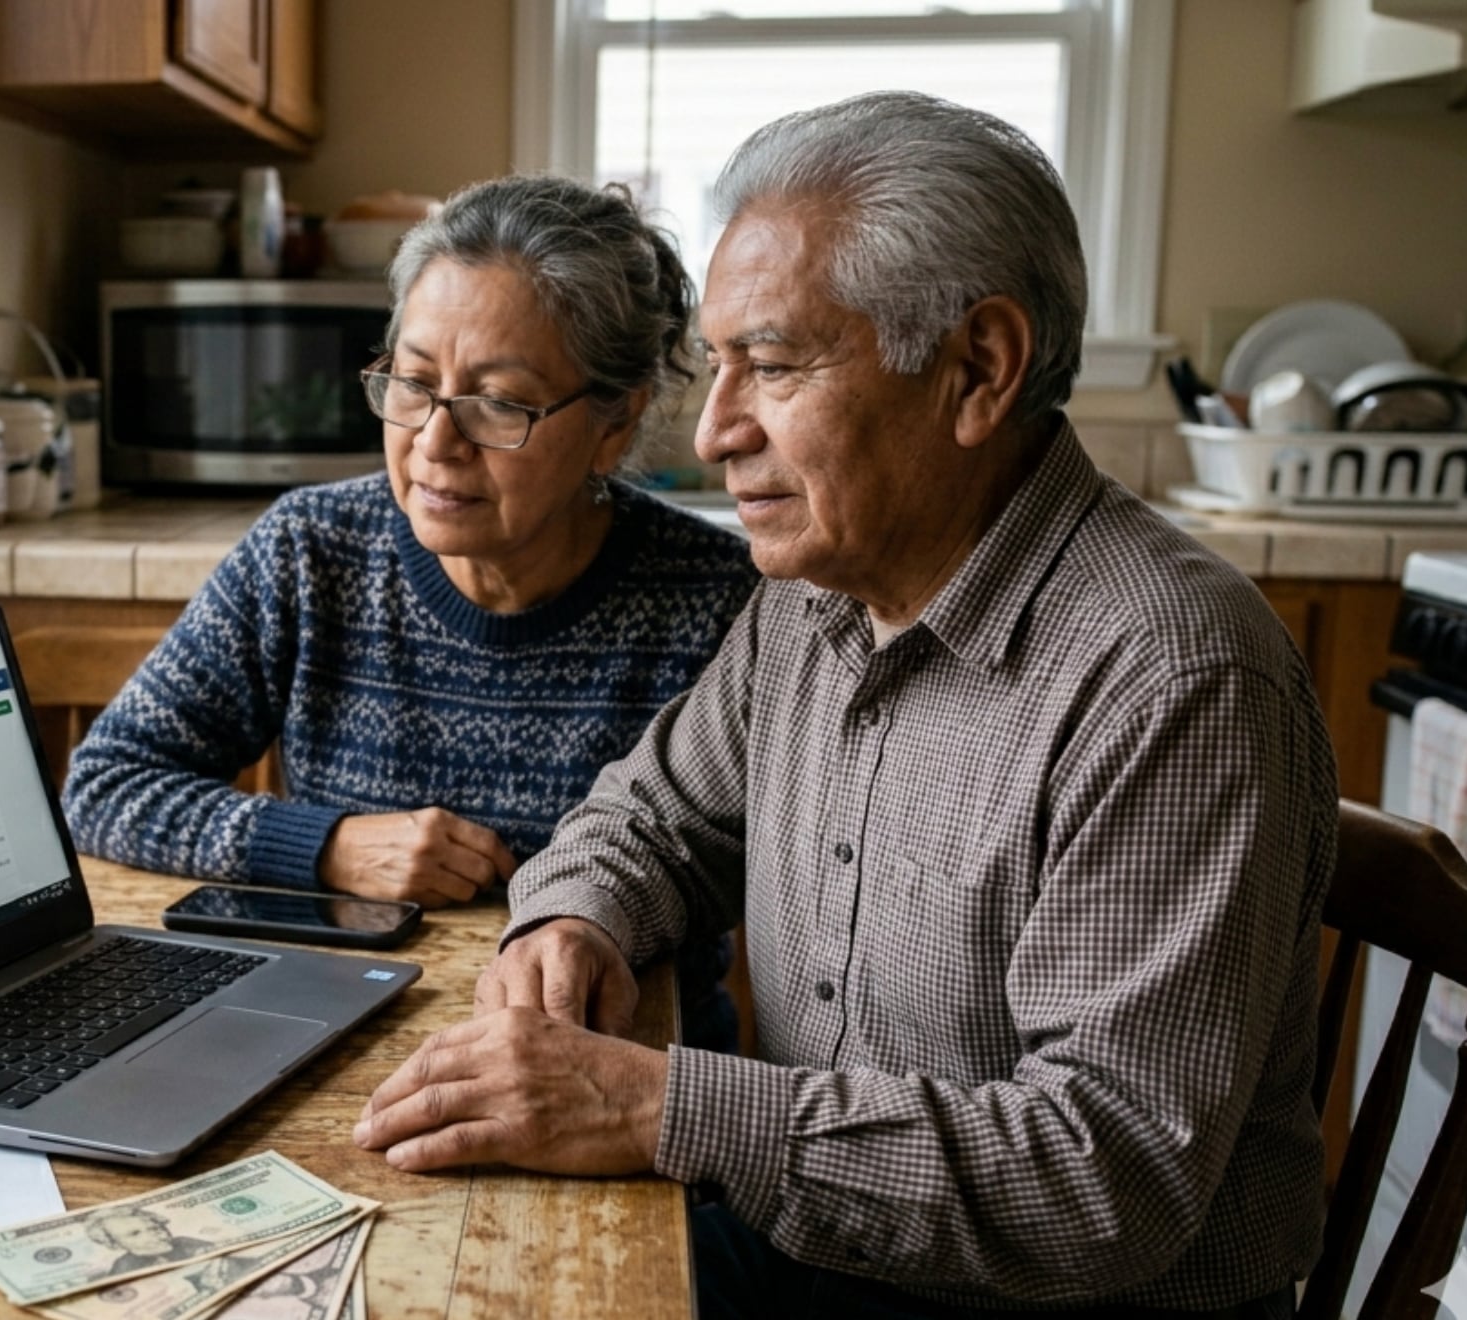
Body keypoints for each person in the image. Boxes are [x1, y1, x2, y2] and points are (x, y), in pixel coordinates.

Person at [353, 93, 1334, 1320]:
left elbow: (1099, 1179)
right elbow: (649, 819)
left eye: (770, 366)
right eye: (717, 367)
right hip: (827, 1251)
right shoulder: (816, 596)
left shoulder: (1174, 679)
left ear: (977, 369)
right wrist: (574, 923)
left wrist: (652, 1104)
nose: (713, 432)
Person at [61, 175, 759, 1047]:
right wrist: (324, 847)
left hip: (612, 1065)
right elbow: (104, 785)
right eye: (412, 382)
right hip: (334, 1038)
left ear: (615, 422)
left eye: (498, 402)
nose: (434, 443)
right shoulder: (312, 551)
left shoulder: (717, 600)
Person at [85, 1207, 211, 1275]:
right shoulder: (124, 1266)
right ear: (114, 1244)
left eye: (154, 1227)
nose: (155, 1234)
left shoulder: (184, 1242)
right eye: (134, 1234)